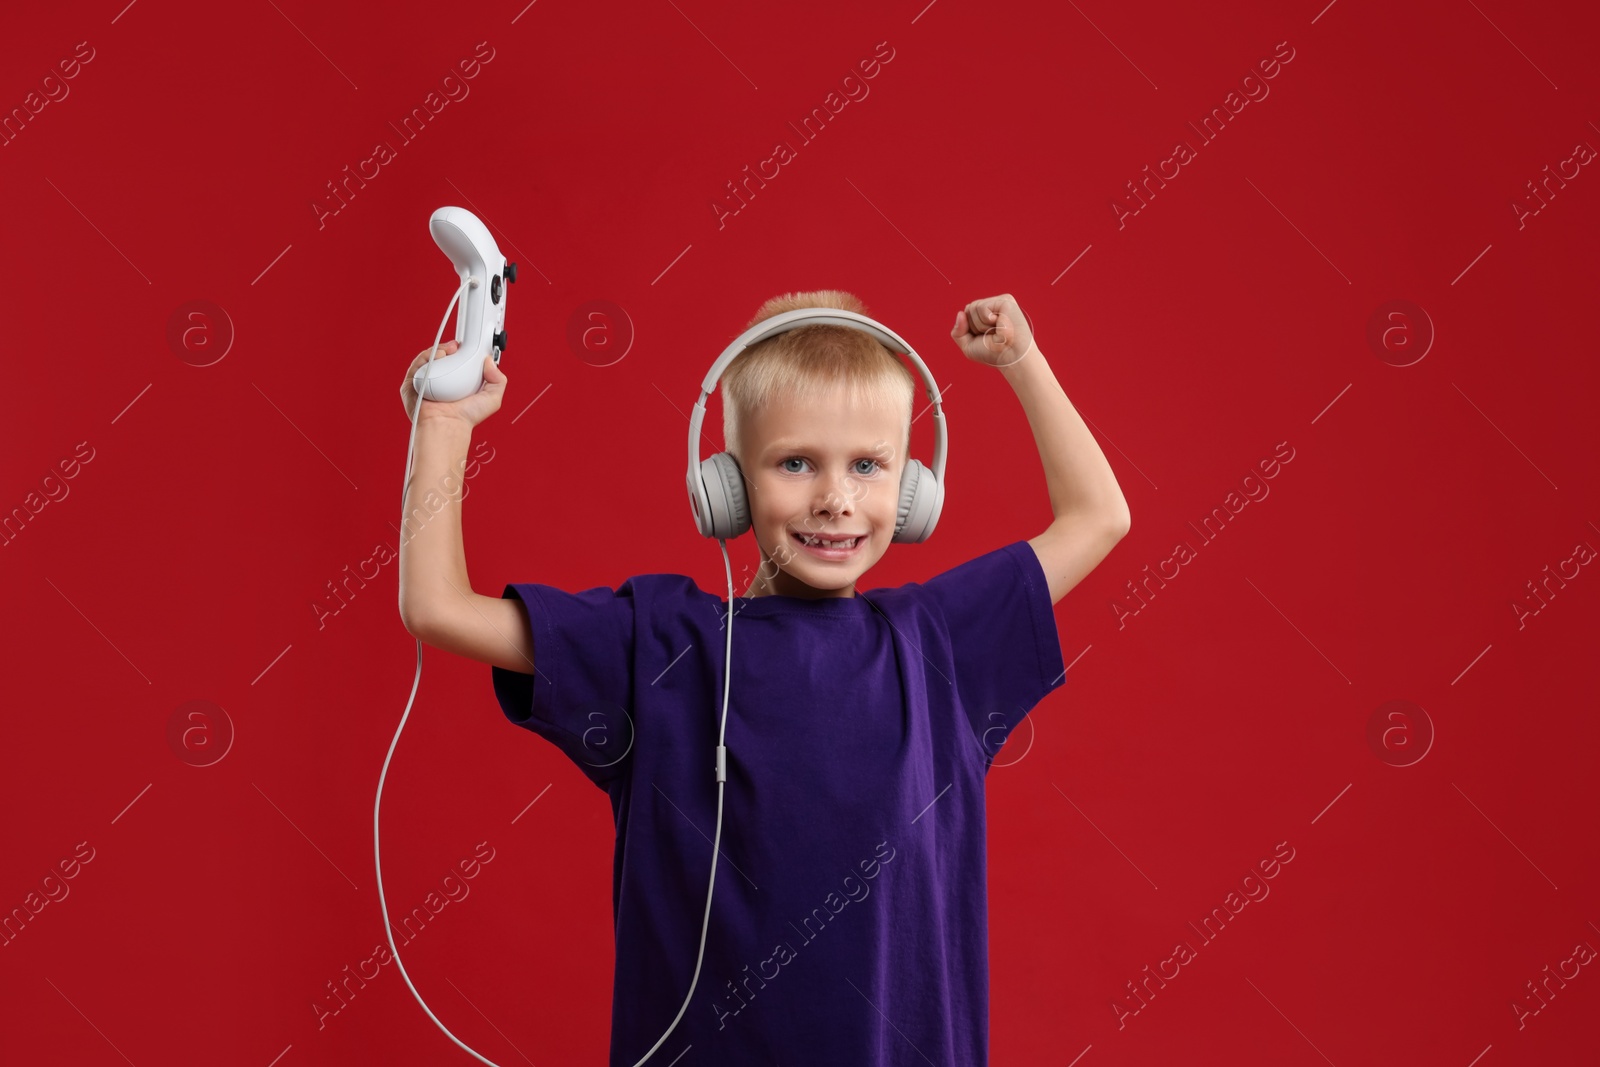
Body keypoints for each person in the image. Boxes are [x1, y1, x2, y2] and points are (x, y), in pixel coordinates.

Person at [397, 288, 1130, 1065]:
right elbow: (437, 607)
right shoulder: (659, 643)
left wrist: (1022, 362)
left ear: (914, 490)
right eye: (795, 462)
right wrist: (442, 425)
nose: (836, 498)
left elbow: (1099, 515)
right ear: (727, 483)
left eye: (869, 465)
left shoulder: (938, 642)